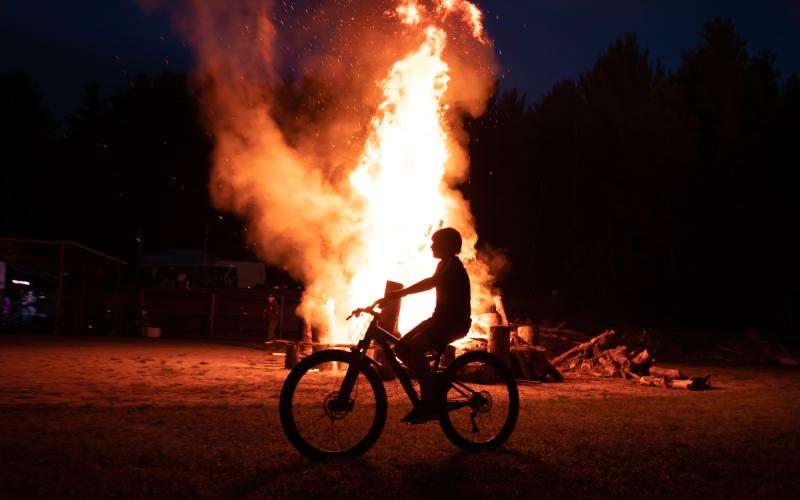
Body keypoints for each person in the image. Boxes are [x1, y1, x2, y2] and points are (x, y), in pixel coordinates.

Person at [374, 227, 471, 424]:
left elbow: (431, 283)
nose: (432, 246)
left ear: (449, 246)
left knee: (417, 345)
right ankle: (430, 382)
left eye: (436, 242)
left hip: (453, 322)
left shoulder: (452, 265)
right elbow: (433, 282)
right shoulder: (445, 263)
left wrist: (398, 294)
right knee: (400, 348)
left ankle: (428, 403)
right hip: (440, 319)